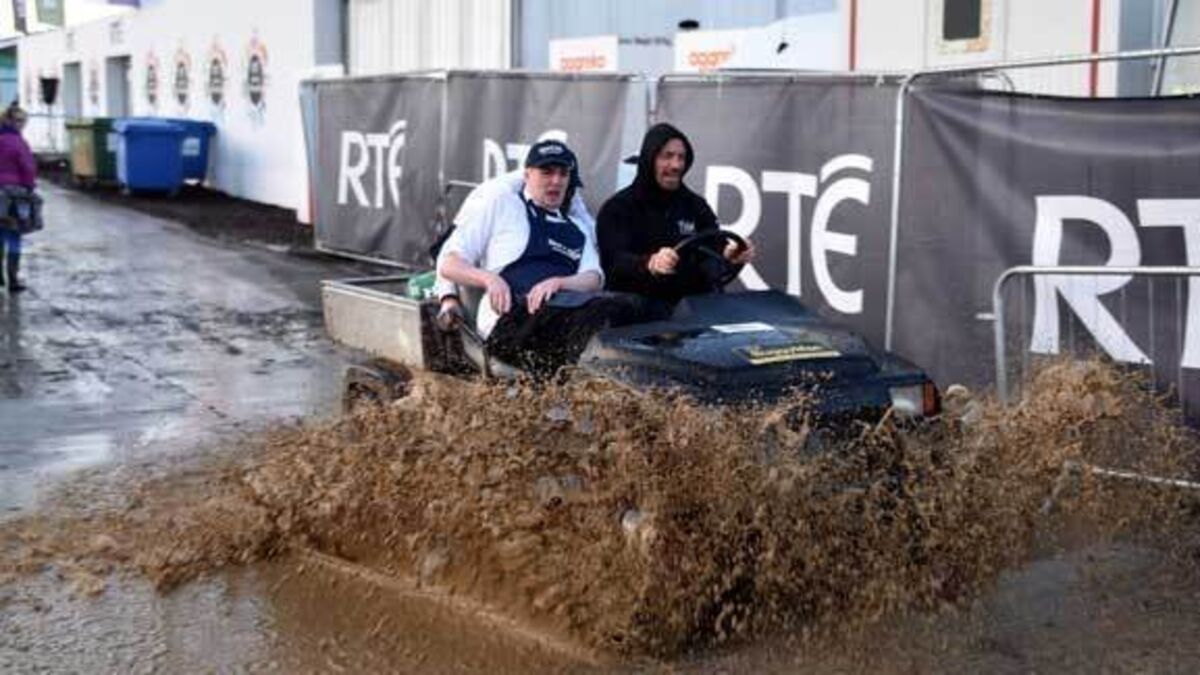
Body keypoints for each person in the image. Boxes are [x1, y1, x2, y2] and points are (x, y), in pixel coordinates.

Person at [436, 139, 635, 376]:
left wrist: (559, 282)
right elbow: (449, 263)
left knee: (622, 305)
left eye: (563, 174)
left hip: (558, 320)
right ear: (527, 175)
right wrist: (489, 279)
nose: (556, 181)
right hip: (509, 321)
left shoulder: (578, 227)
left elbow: (593, 278)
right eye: (547, 172)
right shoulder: (501, 203)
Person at [597, 122, 755, 314]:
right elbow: (613, 262)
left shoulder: (696, 205)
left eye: (681, 157)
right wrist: (650, 263)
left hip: (693, 311)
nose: (676, 165)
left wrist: (730, 253)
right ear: (649, 159)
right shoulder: (618, 208)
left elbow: (714, 246)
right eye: (667, 156)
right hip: (636, 314)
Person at [0, 104, 39, 293]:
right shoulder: (18, 142)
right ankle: (13, 280)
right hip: (14, 194)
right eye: (19, 121)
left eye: (24, 121)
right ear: (9, 121)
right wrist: (30, 187)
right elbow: (28, 168)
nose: (22, 124)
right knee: (14, 234)